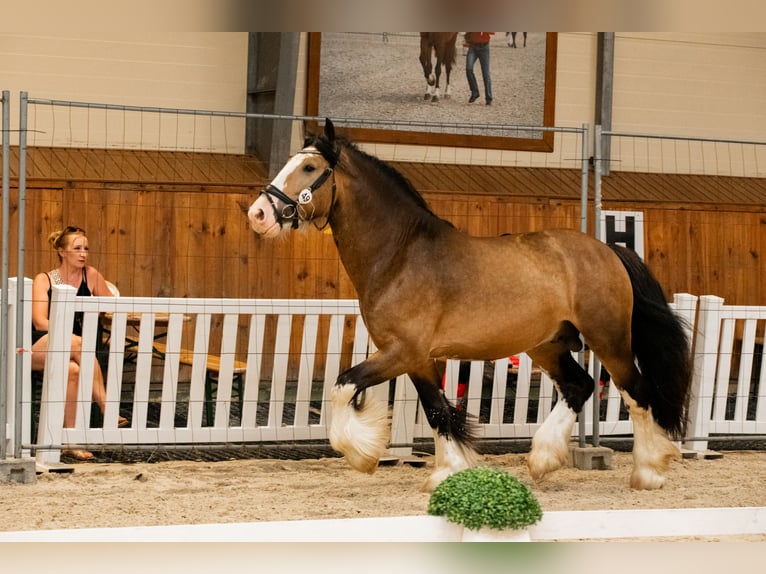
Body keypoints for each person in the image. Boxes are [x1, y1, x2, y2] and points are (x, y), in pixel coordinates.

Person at [31, 226, 128, 461]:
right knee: (76, 342)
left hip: (74, 352)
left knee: (72, 370)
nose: (83, 253)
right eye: (77, 249)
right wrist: (67, 334)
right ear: (62, 251)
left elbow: (112, 305)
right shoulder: (44, 279)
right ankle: (107, 406)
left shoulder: (91, 275)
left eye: (86, 248)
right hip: (38, 348)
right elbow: (39, 322)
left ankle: (70, 442)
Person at [464, 32, 494, 105]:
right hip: (473, 47)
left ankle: (488, 97)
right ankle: (475, 92)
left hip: (484, 47)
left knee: (485, 73)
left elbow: (493, 32)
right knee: (468, 68)